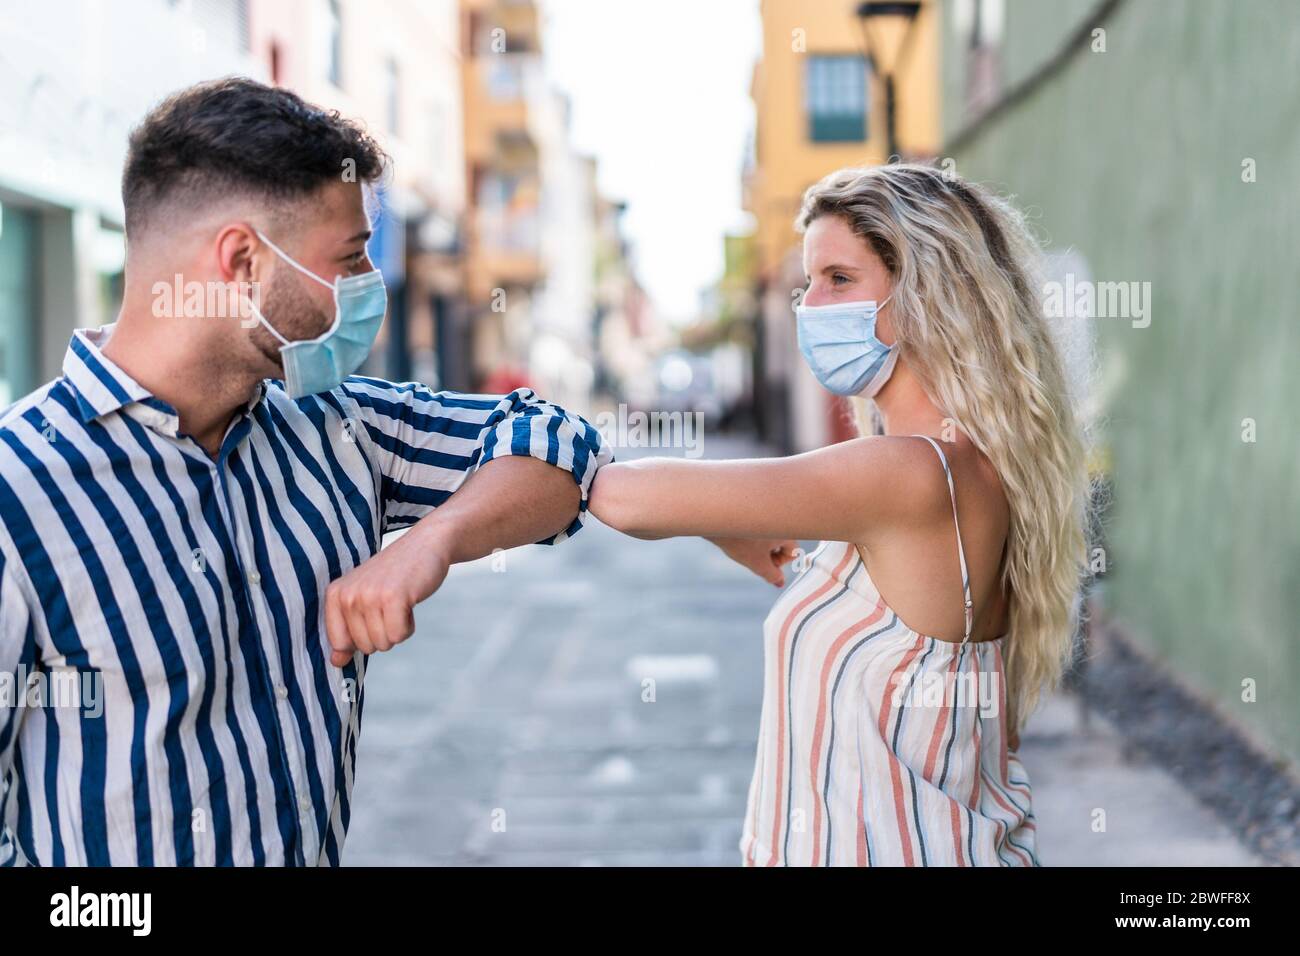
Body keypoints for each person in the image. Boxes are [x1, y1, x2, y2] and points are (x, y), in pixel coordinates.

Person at [0, 77, 622, 866]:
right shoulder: (18, 495)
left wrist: (431, 540)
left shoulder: (341, 428)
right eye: (352, 259)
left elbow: (557, 444)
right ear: (242, 260)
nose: (371, 291)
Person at [588, 163, 1093, 866]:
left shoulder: (912, 474)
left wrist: (528, 438)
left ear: (926, 292)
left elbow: (626, 497)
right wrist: (718, 520)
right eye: (807, 284)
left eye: (839, 279)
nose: (812, 305)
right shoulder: (956, 468)